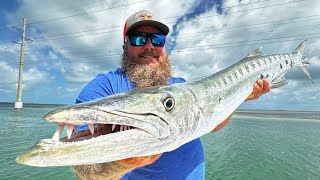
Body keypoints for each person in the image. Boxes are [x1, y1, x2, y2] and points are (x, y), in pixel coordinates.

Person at [72, 10, 270, 179]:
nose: (149, 46)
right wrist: (121, 164)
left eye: (157, 39)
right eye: (139, 38)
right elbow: (82, 166)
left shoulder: (181, 85)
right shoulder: (103, 89)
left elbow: (213, 123)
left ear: (164, 47)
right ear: (125, 46)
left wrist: (241, 96)